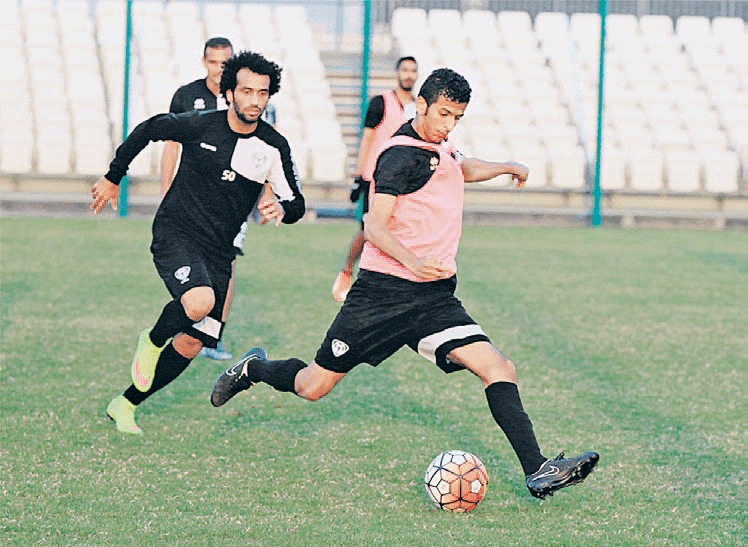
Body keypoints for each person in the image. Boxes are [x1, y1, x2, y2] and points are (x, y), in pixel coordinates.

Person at [211, 68, 599, 500]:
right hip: (381, 297)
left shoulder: (439, 143)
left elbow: (458, 166)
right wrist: (415, 260)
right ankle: (253, 368)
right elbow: (374, 226)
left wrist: (507, 166)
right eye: (444, 115)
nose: (449, 125)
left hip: (433, 299)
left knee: (499, 367)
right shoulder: (398, 155)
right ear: (422, 105)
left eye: (457, 118)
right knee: (311, 387)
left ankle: (538, 469)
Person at [91, 51, 305, 435]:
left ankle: (124, 403)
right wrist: (112, 177)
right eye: (246, 91)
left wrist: (282, 210)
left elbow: (297, 203)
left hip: (219, 251)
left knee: (192, 343)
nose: (255, 100)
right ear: (229, 92)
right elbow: (147, 129)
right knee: (198, 302)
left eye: (263, 92)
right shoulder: (199, 125)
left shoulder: (273, 146)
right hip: (177, 231)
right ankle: (152, 339)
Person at [161, 37, 276, 361]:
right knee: (190, 266)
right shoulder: (186, 96)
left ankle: (212, 337)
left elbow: (269, 153)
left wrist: (268, 195)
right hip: (189, 200)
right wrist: (165, 191)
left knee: (227, 264)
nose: (220, 68)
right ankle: (186, 327)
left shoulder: (246, 98)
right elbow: (172, 145)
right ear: (204, 62)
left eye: (226, 62)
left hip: (231, 202)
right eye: (214, 62)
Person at [331, 56, 418, 302]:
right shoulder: (380, 103)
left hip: (406, 182)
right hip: (375, 179)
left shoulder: (417, 108)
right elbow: (367, 139)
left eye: (413, 70)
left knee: (398, 230)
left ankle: (390, 283)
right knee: (369, 229)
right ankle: (348, 269)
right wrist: (359, 176)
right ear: (397, 73)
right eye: (405, 69)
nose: (409, 75)